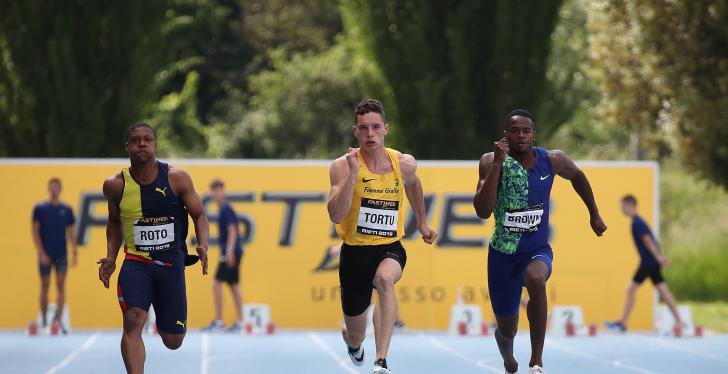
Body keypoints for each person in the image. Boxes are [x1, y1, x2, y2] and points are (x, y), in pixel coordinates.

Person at [473, 109, 607, 374]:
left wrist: (594, 213)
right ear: (506, 136)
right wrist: (499, 165)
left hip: (536, 249)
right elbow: (483, 211)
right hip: (502, 254)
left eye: (526, 131)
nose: (521, 135)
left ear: (534, 135)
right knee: (507, 327)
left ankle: (536, 360)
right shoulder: (490, 161)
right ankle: (508, 354)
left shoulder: (552, 160)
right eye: (515, 131)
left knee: (536, 279)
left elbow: (578, 176)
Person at [327, 99, 437, 374]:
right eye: (363, 129)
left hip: (389, 247)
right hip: (354, 253)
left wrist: (422, 222)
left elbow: (413, 185)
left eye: (376, 127)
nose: (370, 134)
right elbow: (336, 215)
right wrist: (353, 176)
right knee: (355, 334)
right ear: (355, 132)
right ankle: (353, 342)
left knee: (385, 279)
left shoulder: (404, 163)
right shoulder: (342, 166)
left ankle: (381, 361)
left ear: (386, 129)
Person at [97, 122, 209, 374]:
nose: (142, 144)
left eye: (147, 139)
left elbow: (199, 215)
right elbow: (114, 223)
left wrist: (202, 245)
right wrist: (111, 258)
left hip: (171, 265)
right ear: (127, 146)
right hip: (137, 264)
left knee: (173, 340)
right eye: (135, 140)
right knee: (133, 320)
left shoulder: (177, 178)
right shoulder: (115, 185)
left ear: (155, 145)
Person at [606, 194, 682, 333]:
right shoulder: (638, 221)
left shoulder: (637, 222)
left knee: (631, 290)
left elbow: (648, 240)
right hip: (652, 262)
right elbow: (651, 240)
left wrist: (658, 257)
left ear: (631, 206)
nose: (622, 209)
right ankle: (680, 321)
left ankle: (622, 323)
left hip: (648, 262)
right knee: (663, 291)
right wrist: (659, 257)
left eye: (623, 206)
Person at [313, 242, 407, 331]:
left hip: (377, 250)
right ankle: (394, 321)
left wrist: (339, 247)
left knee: (380, 289)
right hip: (366, 250)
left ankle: (395, 321)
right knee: (377, 289)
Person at [32, 177, 77, 333]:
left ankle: (57, 320)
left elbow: (71, 233)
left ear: (60, 189)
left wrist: (74, 252)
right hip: (45, 253)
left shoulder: (67, 209)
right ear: (48, 189)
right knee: (45, 285)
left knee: (60, 285)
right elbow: (35, 232)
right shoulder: (40, 209)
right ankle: (44, 320)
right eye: (51, 187)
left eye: (56, 187)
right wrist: (41, 252)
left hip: (61, 253)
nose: (54, 190)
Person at [202, 179, 244, 333]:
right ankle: (240, 321)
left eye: (218, 190)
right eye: (213, 191)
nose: (216, 194)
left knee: (217, 284)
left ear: (223, 192)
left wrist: (229, 252)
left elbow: (233, 230)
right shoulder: (222, 210)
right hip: (229, 251)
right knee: (233, 285)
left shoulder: (226, 209)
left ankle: (221, 320)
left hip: (230, 252)